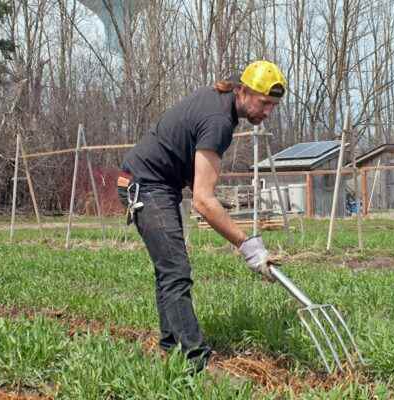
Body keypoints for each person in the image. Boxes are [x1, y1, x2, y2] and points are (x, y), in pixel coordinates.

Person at [117, 60, 286, 373]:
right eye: (264, 103)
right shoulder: (218, 120)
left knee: (169, 271)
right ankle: (197, 363)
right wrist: (248, 245)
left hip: (158, 184)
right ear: (244, 91)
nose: (267, 112)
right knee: (175, 271)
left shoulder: (223, 105)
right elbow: (204, 201)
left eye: (273, 105)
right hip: (146, 184)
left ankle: (171, 349)